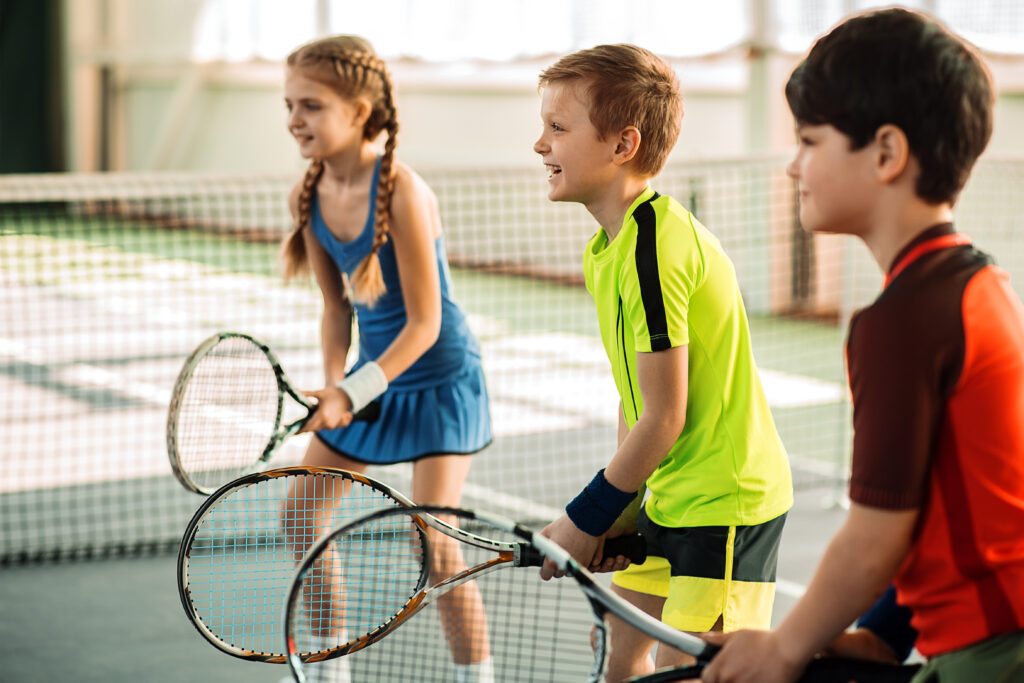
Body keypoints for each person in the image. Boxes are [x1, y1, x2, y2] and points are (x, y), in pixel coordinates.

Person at [701, 8, 1024, 683]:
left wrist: (784, 646)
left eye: (810, 141)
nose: (793, 167)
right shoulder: (978, 283)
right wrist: (882, 630)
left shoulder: (900, 322)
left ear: (885, 153)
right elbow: (954, 501)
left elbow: (876, 535)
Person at [532, 43, 794, 682]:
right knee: (622, 650)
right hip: (669, 496)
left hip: (726, 503)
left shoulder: (655, 246)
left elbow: (665, 416)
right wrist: (623, 508)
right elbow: (637, 399)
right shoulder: (607, 249)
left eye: (558, 128)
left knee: (697, 670)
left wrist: (584, 516)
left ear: (622, 145)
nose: (540, 145)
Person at [277, 35, 494, 683]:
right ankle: (329, 666)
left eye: (311, 105)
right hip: (369, 385)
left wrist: (354, 388)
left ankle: (477, 678)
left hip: (439, 378)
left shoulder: (401, 190)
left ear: (363, 109)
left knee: (437, 546)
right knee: (299, 512)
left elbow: (426, 324)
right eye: (288, 105)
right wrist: (334, 385)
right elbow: (336, 309)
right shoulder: (308, 194)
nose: (295, 119)